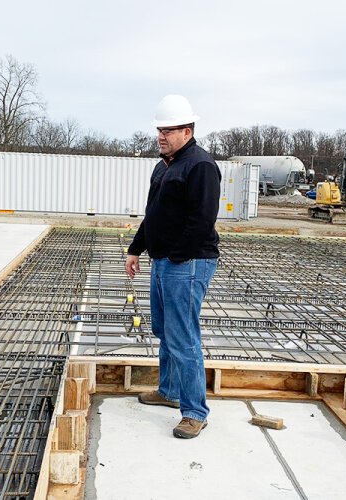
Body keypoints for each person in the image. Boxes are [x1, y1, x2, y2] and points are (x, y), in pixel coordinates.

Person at [125, 94, 221, 439]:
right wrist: (137, 249)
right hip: (165, 260)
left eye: (168, 130)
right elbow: (153, 215)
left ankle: (195, 411)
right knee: (164, 330)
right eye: (159, 130)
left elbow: (202, 220)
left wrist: (174, 257)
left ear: (187, 131)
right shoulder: (163, 165)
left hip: (189, 261)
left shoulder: (201, 166)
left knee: (183, 337)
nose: (161, 136)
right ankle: (168, 390)